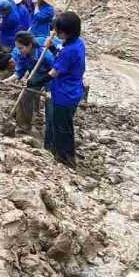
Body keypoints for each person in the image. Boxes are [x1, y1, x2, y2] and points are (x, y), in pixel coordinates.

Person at [44, 12, 86, 166]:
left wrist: (34, 82)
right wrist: (53, 48)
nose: (57, 33)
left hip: (65, 94)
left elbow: (54, 73)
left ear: (66, 32)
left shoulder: (70, 50)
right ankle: (57, 152)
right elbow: (63, 59)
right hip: (71, 91)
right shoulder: (77, 43)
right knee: (61, 125)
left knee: (62, 128)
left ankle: (65, 159)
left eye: (59, 31)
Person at [6, 31, 55, 131]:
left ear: (30, 45)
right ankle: (24, 125)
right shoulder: (20, 54)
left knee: (51, 101)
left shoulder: (44, 54)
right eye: (18, 48)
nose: (19, 51)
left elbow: (56, 70)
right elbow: (19, 72)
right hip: (37, 73)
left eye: (21, 48)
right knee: (25, 95)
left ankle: (51, 129)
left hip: (51, 75)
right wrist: (9, 80)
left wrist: (49, 90)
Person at [0, 0, 21, 72]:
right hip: (2, 37)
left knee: (5, 58)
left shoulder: (12, 19)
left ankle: (6, 74)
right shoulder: (11, 5)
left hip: (8, 41)